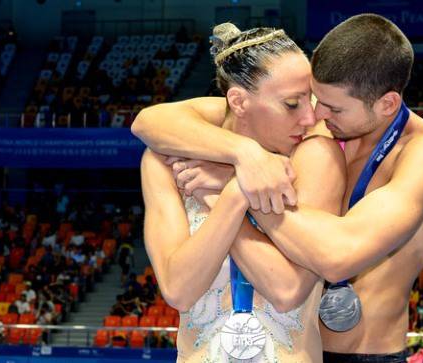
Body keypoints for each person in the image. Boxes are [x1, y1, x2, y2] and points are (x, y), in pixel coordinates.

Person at [132, 14, 423, 361]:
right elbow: (151, 121)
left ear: (387, 105)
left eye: (331, 107)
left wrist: (235, 187)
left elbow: (337, 258)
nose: (314, 116)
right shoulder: (310, 128)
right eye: (308, 100)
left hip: (366, 352)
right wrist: (242, 152)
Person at [139, 23, 346, 362]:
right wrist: (238, 188)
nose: (310, 118)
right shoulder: (165, 161)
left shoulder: (317, 157)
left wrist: (225, 192)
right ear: (238, 101)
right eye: (292, 104)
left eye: (310, 100)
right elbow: (178, 289)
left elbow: (287, 290)